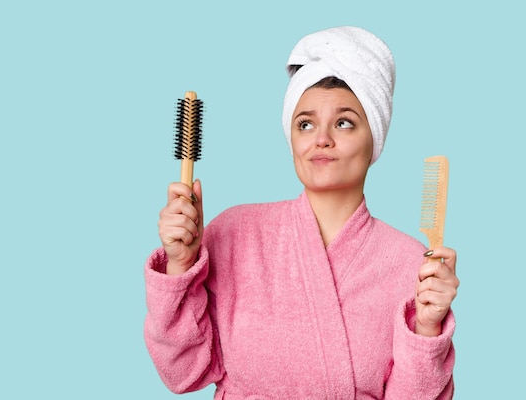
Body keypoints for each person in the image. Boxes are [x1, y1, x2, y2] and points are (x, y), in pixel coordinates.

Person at [144, 26, 459, 399]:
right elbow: (181, 373)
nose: (321, 138)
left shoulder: (412, 265)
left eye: (344, 122)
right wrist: (180, 265)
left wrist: (426, 328)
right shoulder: (234, 231)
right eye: (305, 124)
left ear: (374, 136)